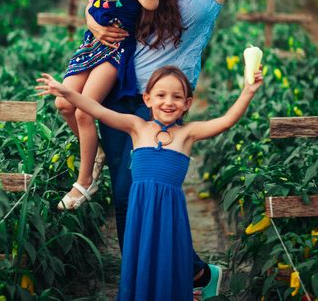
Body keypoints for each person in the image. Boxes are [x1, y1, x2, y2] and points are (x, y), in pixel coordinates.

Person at [84, 0, 278, 295]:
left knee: (152, 195)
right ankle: (181, 276)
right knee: (125, 198)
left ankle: (173, 279)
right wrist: (92, 20)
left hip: (163, 102)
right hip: (122, 90)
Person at [36, 65, 263, 300]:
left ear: (187, 103)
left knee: (168, 260)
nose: (168, 102)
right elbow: (97, 110)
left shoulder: (187, 134)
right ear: (147, 99)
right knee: (141, 258)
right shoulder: (137, 127)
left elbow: (226, 121)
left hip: (170, 214)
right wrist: (66, 92)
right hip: (141, 211)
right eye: (161, 95)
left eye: (177, 97)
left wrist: (248, 90)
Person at [51, 0, 159, 210]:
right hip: (90, 47)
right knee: (62, 103)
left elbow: (150, 1)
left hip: (115, 52)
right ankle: (95, 152)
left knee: (85, 111)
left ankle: (85, 180)